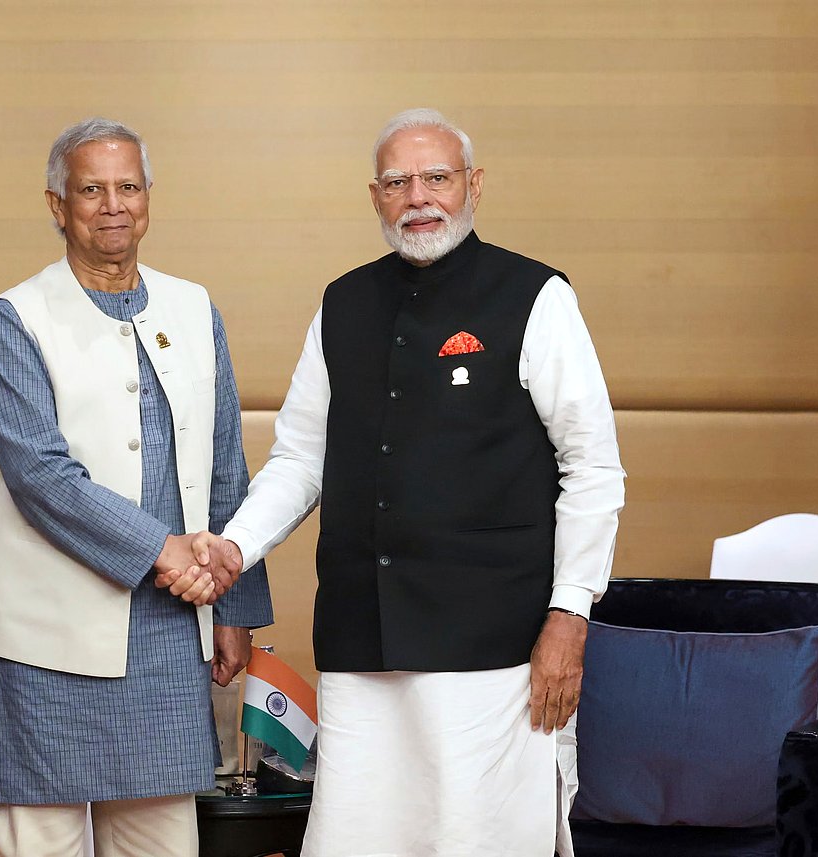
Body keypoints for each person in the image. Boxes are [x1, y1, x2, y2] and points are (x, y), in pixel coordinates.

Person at [185, 108, 625, 856]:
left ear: (473, 185)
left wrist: (570, 614)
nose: (418, 196)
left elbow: (593, 468)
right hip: (364, 637)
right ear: (375, 196)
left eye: (437, 177)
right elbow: (298, 458)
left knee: (477, 839)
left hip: (495, 644)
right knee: (357, 838)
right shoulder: (342, 302)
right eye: (398, 181)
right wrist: (234, 546)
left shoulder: (535, 296)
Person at [0, 116, 272, 857]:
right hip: (45, 649)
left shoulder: (195, 309)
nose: (113, 205)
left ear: (149, 197)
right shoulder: (13, 320)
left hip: (168, 641)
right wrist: (166, 552)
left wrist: (237, 608)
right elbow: (42, 477)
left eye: (128, 186)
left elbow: (227, 466)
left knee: (162, 845)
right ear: (56, 204)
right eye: (91, 189)